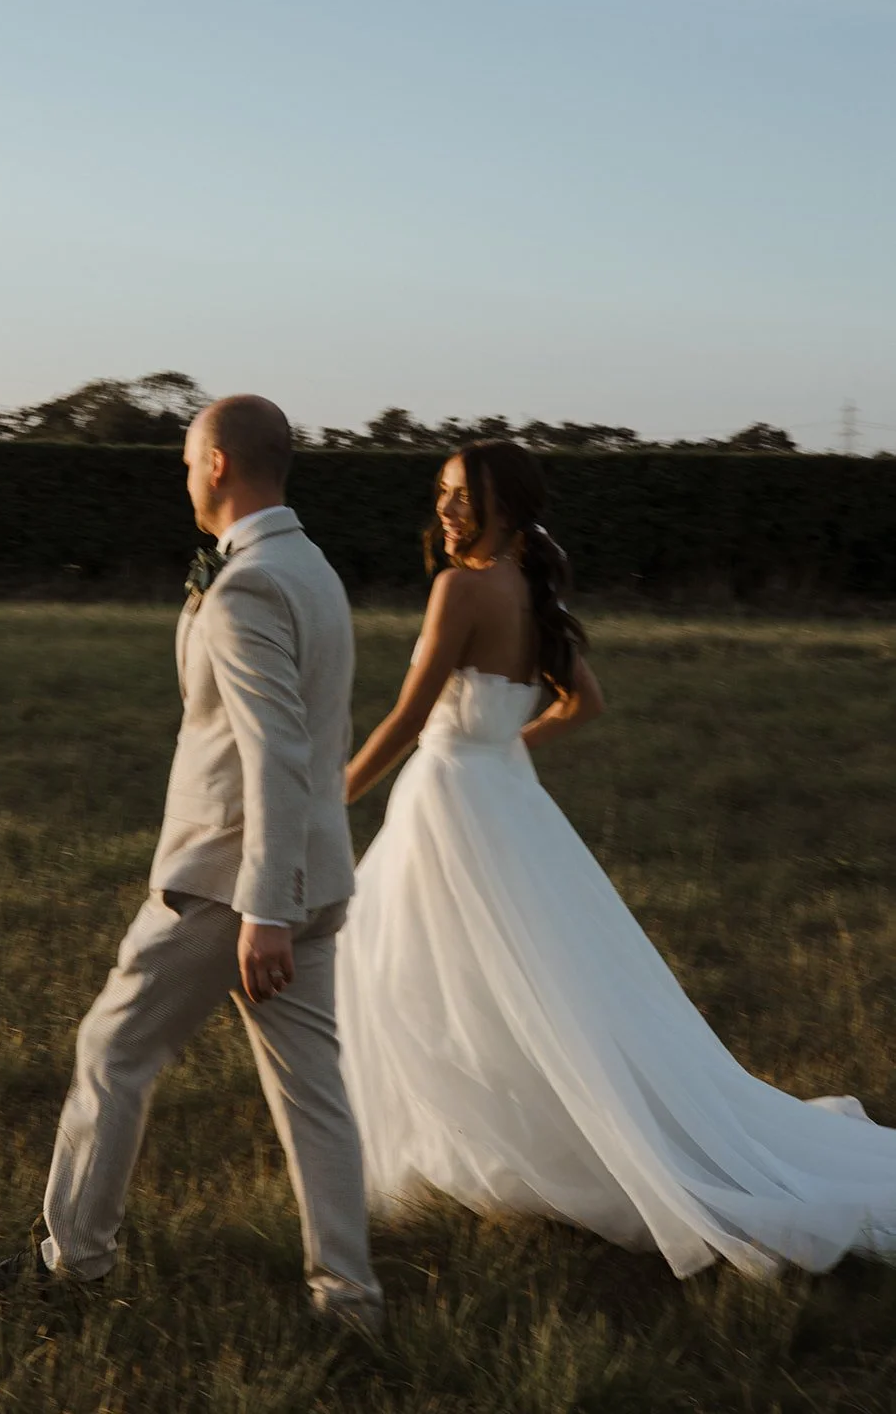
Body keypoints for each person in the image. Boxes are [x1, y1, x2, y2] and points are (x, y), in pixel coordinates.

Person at [336, 438, 896, 1280]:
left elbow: (411, 716)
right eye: (442, 494)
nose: (446, 511)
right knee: (529, 977)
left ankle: (482, 1135)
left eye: (464, 496)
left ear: (506, 508)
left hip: (453, 803)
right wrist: (498, 744)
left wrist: (331, 793)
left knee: (421, 971)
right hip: (503, 801)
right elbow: (583, 702)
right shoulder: (530, 589)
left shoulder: (460, 588)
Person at [0, 396, 383, 1329]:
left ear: (217, 465)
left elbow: (277, 751)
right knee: (313, 1096)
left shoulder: (249, 583)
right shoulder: (310, 565)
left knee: (113, 1050)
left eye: (185, 459)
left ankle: (72, 1264)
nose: (182, 475)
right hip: (314, 873)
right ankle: (350, 1301)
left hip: (229, 884)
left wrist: (264, 911)